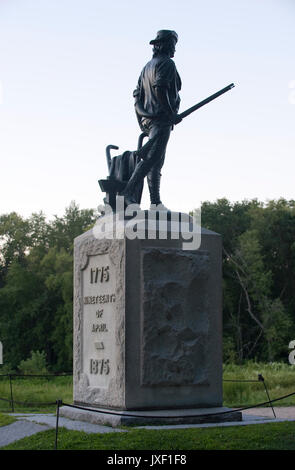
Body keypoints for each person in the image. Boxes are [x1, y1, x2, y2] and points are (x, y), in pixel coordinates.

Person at [121, 30, 182, 208]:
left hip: (150, 121)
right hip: (160, 120)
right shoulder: (167, 64)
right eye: (172, 45)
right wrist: (170, 113)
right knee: (151, 160)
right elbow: (160, 88)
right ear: (164, 45)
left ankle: (155, 202)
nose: (174, 49)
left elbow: (137, 99)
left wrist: (144, 119)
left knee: (157, 161)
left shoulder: (146, 68)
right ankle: (128, 192)